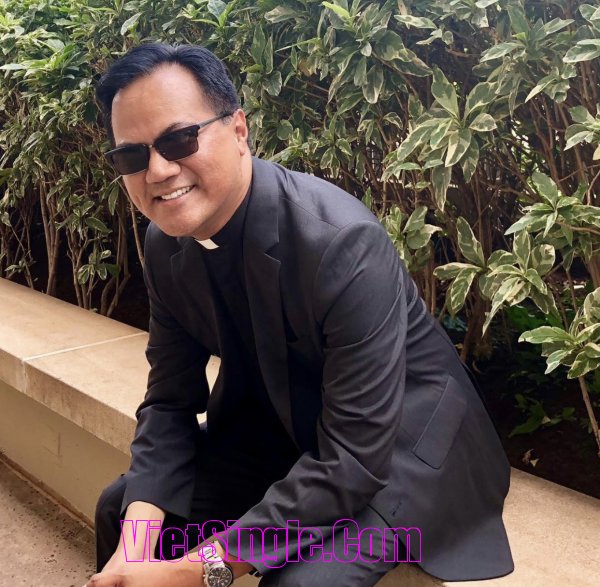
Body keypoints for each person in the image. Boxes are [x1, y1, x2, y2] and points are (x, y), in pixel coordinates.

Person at [86, 43, 514, 587]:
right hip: (284, 427)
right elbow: (170, 401)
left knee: (301, 582)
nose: (158, 170)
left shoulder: (341, 243)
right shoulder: (165, 243)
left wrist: (200, 571)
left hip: (399, 449)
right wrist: (136, 547)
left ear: (239, 130)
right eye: (132, 156)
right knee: (121, 509)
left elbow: (354, 457)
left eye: (179, 139)